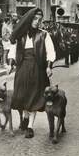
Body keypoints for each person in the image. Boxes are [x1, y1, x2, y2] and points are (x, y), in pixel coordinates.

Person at [8, 8, 55, 138]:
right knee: (22, 95)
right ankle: (25, 117)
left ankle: (30, 127)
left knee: (34, 96)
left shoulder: (44, 34)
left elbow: (50, 52)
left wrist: (49, 66)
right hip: (22, 67)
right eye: (35, 19)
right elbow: (13, 50)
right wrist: (11, 63)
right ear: (29, 19)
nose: (37, 22)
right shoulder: (20, 35)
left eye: (39, 20)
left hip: (37, 68)